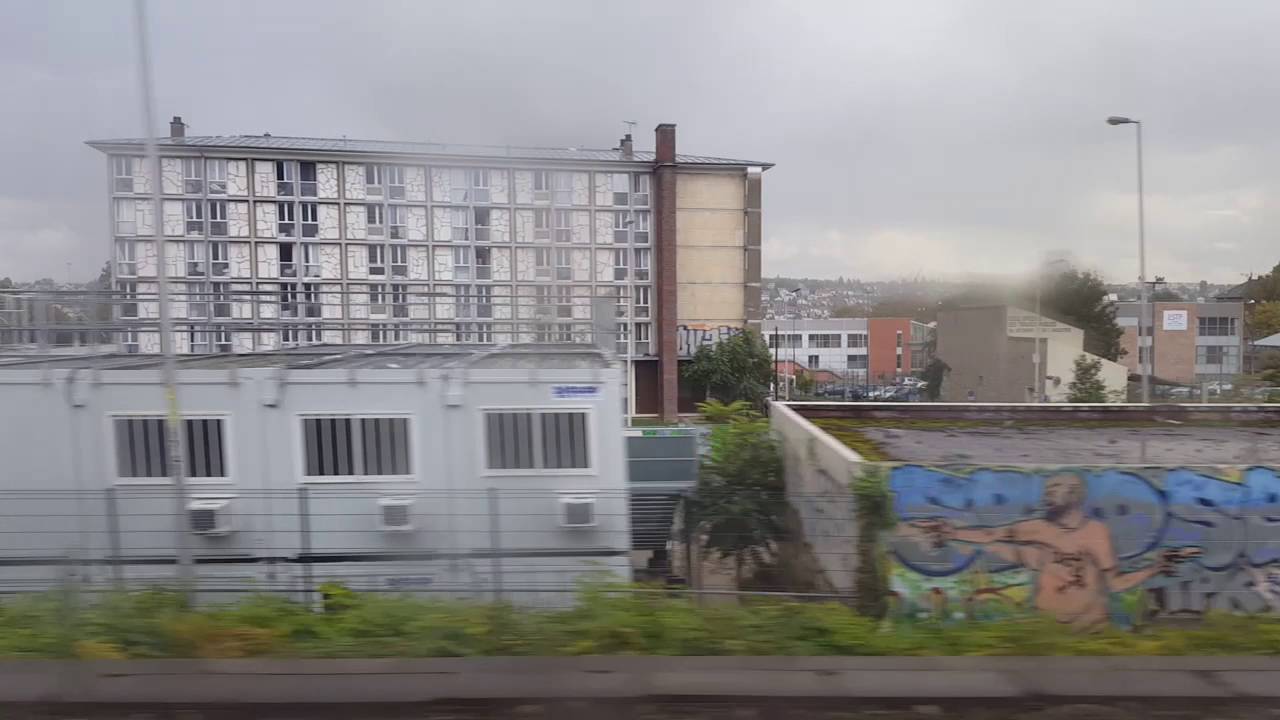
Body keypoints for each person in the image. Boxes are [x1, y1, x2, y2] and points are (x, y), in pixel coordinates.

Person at [907, 472, 1176, 630]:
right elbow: (990, 535)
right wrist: (950, 532)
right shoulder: (1036, 529)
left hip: (1090, 632)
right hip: (1048, 630)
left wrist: (1154, 568)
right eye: (1047, 489)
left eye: (1054, 489)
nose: (1047, 494)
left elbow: (1114, 584)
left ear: (1075, 494)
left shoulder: (1095, 533)